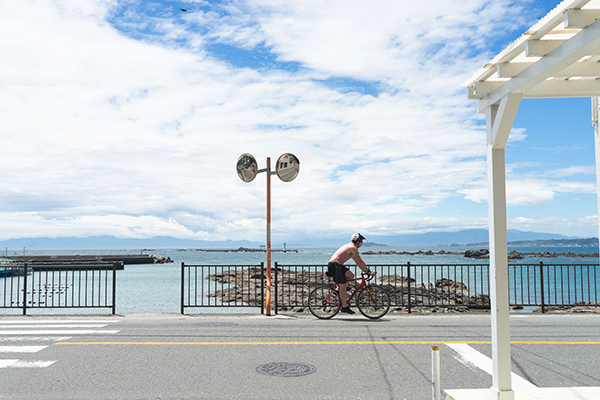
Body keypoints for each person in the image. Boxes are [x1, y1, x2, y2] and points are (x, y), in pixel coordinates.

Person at [327, 233, 375, 314]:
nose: (362, 243)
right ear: (357, 241)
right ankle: (344, 307)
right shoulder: (352, 248)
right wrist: (368, 271)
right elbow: (359, 261)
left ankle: (338, 290)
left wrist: (366, 270)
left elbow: (357, 262)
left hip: (336, 265)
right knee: (343, 285)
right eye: (361, 241)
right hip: (335, 266)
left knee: (351, 275)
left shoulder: (352, 247)